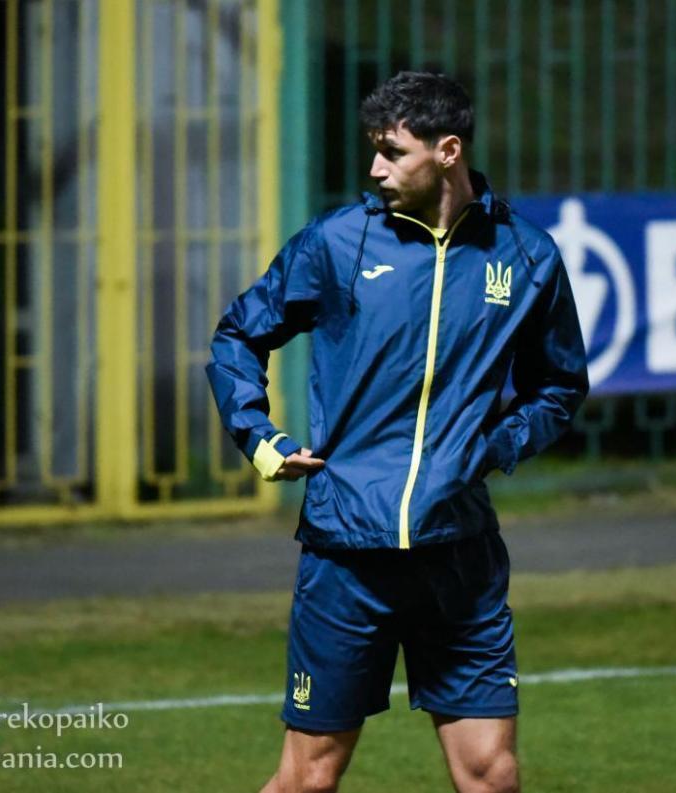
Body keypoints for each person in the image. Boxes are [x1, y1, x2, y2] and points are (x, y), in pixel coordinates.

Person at [206, 71, 589, 793]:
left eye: (392, 152)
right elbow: (237, 336)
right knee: (308, 779)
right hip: (346, 554)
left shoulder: (525, 255)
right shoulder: (336, 243)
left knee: (491, 775)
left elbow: (559, 385)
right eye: (374, 150)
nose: (376, 169)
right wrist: (258, 436)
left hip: (460, 557)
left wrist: (496, 445)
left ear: (448, 151)